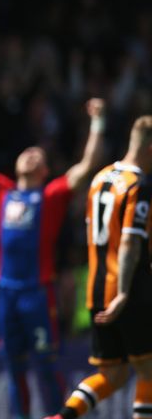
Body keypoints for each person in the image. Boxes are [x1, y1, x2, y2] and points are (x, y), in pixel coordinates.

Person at [0, 94, 105, 418]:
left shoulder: (51, 195)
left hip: (38, 291)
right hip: (5, 292)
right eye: (28, 152)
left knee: (46, 366)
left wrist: (97, 122)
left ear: (46, 170)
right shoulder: (2, 190)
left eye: (38, 155)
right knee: (12, 367)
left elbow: (87, 165)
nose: (31, 155)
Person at [45, 116, 152, 419]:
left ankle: (61, 417)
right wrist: (124, 292)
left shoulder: (100, 178)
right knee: (148, 370)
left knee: (111, 375)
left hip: (95, 287)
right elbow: (129, 242)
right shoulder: (138, 185)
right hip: (128, 288)